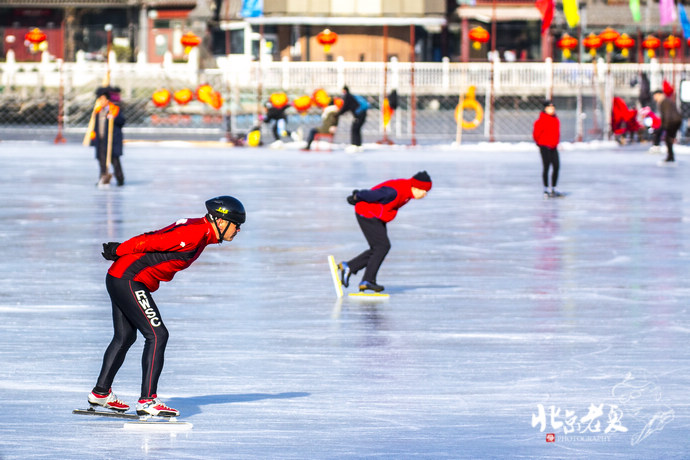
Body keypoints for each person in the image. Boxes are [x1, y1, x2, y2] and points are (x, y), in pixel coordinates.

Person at [87, 196, 245, 417]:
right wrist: (120, 249)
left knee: (125, 337)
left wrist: (121, 252)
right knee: (157, 335)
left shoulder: (200, 229)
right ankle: (148, 401)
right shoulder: (194, 233)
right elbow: (150, 240)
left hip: (121, 276)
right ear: (221, 221)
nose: (238, 230)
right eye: (236, 225)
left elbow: (157, 237)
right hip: (129, 279)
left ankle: (101, 393)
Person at [338, 171, 432, 293]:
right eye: (423, 191)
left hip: (377, 215)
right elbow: (373, 194)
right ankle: (367, 281)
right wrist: (357, 196)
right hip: (367, 213)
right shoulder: (395, 191)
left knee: (378, 248)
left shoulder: (408, 190)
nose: (425, 194)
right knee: (382, 247)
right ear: (415, 187)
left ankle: (349, 267)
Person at [91, 86, 125, 186]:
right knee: (102, 161)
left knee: (115, 161)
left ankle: (120, 180)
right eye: (99, 99)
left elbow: (122, 122)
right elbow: (96, 126)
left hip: (112, 140)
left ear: (107, 99)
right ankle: (103, 178)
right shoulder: (98, 111)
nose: (101, 101)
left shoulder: (114, 109)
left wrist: (113, 117)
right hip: (101, 140)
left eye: (103, 99)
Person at [532, 100, 562, 198]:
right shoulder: (541, 120)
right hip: (544, 146)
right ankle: (546, 188)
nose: (552, 110)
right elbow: (536, 134)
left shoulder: (555, 120)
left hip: (554, 146)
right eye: (549, 108)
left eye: (553, 108)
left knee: (556, 166)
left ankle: (554, 187)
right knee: (546, 167)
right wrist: (540, 143)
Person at [653, 89, 682, 163]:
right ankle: (670, 156)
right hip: (674, 121)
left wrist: (664, 126)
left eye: (655, 96)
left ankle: (670, 156)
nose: (654, 98)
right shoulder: (665, 101)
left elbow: (667, 114)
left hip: (672, 122)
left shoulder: (664, 101)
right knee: (668, 139)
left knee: (668, 139)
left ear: (658, 94)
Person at [336, 86, 369, 150]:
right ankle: (357, 145)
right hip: (361, 114)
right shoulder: (351, 96)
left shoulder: (348, 97)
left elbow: (345, 107)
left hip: (360, 114)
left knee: (355, 129)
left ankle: (355, 145)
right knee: (356, 129)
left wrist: (338, 113)